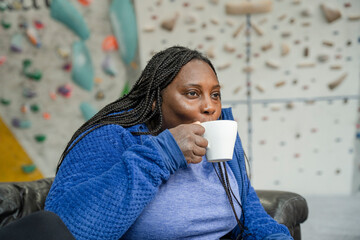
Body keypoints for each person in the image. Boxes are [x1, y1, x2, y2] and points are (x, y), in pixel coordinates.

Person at [44, 46, 293, 240]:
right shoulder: (111, 137)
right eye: (192, 93)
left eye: (215, 94)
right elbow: (67, 229)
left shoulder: (221, 141)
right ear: (155, 101)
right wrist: (164, 153)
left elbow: (251, 216)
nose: (210, 107)